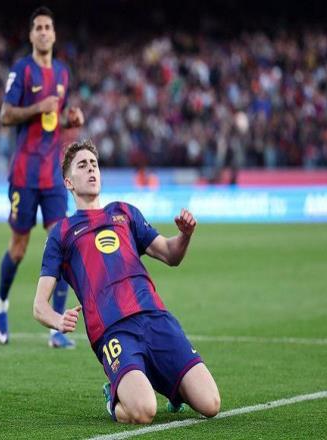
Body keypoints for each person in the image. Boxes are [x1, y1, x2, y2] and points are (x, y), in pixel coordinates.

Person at [33, 140, 220, 424]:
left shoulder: (124, 212)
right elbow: (39, 305)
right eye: (82, 165)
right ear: (69, 182)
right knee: (143, 411)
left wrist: (185, 236)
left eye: (94, 164)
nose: (91, 169)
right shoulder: (62, 233)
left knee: (211, 404)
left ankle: (171, 387)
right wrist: (58, 321)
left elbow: (170, 254)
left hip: (155, 317)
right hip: (113, 330)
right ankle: (115, 398)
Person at [0, 6, 84, 347]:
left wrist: (70, 121)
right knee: (19, 248)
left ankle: (56, 327)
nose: (44, 32)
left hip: (53, 175)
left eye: (48, 27)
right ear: (32, 35)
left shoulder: (62, 72)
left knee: (63, 244)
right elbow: (5, 115)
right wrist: (37, 107)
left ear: (54, 34)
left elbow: (54, 120)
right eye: (39, 27)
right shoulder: (22, 70)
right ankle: (1, 303)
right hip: (24, 173)